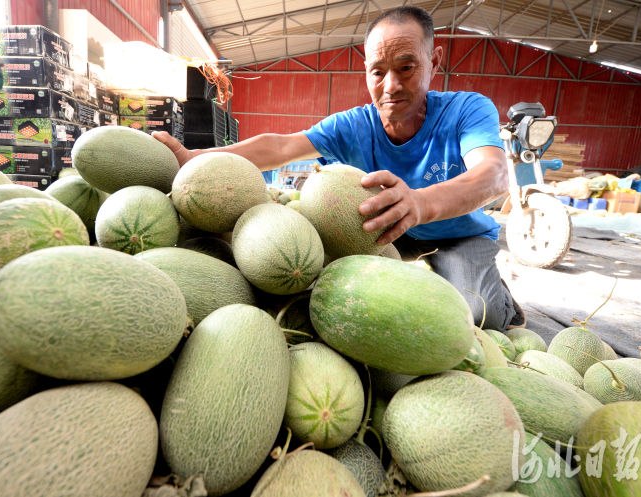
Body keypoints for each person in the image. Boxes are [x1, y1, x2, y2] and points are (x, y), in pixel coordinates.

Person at [153, 5, 526, 332]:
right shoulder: (353, 124)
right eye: (377, 72)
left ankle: (496, 292)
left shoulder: (467, 109)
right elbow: (281, 146)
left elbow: (493, 175)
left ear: (435, 60)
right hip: (382, 232)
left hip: (456, 234)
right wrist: (195, 158)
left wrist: (420, 203)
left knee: (479, 314)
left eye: (406, 67)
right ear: (365, 70)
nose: (391, 85)